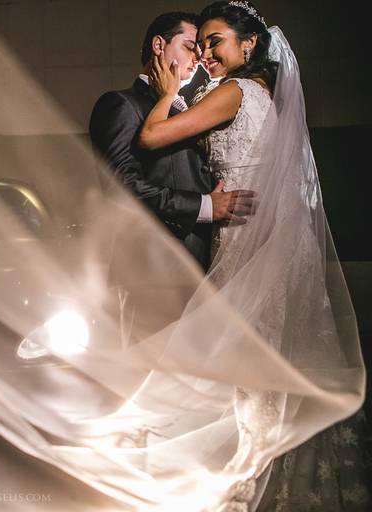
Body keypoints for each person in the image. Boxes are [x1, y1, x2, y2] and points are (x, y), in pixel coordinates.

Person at [138, 1, 369, 510]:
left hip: (249, 238)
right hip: (273, 235)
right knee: (268, 359)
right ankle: (275, 479)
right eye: (202, 43)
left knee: (245, 363)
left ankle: (247, 485)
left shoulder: (235, 91)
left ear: (249, 45)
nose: (206, 52)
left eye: (215, 41)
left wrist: (170, 91)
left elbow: (151, 136)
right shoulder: (265, 95)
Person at [88, 11, 255, 271]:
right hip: (157, 261)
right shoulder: (121, 104)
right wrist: (205, 206)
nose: (199, 56)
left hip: (205, 256)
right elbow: (121, 185)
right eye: (190, 46)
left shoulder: (190, 109)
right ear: (158, 45)